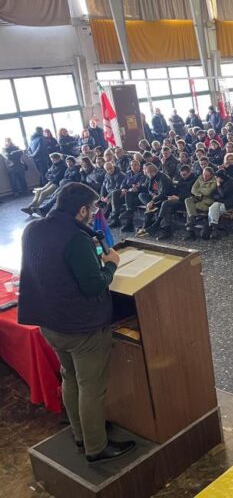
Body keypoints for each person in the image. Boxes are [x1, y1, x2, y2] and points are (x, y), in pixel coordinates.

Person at [18, 182, 135, 463]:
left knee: (69, 377)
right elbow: (94, 285)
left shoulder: (32, 229)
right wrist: (111, 264)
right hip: (81, 327)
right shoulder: (75, 238)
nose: (93, 214)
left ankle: (81, 432)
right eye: (92, 209)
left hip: (49, 322)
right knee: (91, 387)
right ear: (82, 210)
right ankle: (96, 447)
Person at [184, 167, 218, 240]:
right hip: (198, 198)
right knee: (188, 201)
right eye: (203, 175)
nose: (204, 177)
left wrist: (199, 189)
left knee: (190, 208)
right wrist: (200, 194)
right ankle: (192, 220)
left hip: (207, 203)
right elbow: (193, 189)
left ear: (211, 175)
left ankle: (190, 231)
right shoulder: (200, 178)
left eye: (207, 175)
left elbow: (208, 192)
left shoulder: (214, 180)